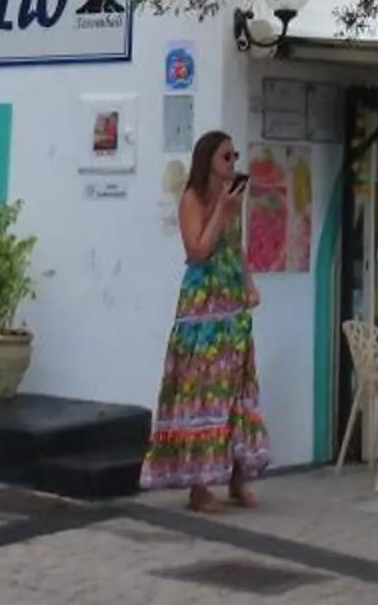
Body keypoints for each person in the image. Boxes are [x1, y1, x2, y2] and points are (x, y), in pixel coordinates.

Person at [140, 130, 268, 513]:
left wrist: (249, 284)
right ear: (208, 160)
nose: (233, 164)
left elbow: (235, 248)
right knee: (203, 390)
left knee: (235, 391)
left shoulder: (233, 201)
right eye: (226, 157)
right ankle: (198, 486)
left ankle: (237, 479)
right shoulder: (193, 199)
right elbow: (196, 250)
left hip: (231, 305)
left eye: (235, 156)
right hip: (202, 309)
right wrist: (221, 213)